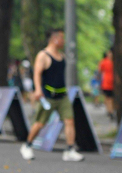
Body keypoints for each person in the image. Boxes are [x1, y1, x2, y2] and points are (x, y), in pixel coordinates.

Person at [19, 29, 84, 162]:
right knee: (40, 123)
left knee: (69, 120)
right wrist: (38, 90)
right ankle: (27, 145)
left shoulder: (62, 56)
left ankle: (70, 149)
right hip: (48, 96)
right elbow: (37, 73)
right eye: (62, 38)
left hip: (62, 95)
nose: (64, 41)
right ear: (55, 39)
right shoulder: (43, 55)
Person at [98, 49, 115, 121]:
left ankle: (110, 111)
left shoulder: (110, 62)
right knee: (108, 98)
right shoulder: (104, 62)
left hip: (112, 83)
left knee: (109, 98)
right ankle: (110, 111)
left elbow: (99, 70)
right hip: (107, 83)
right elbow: (100, 70)